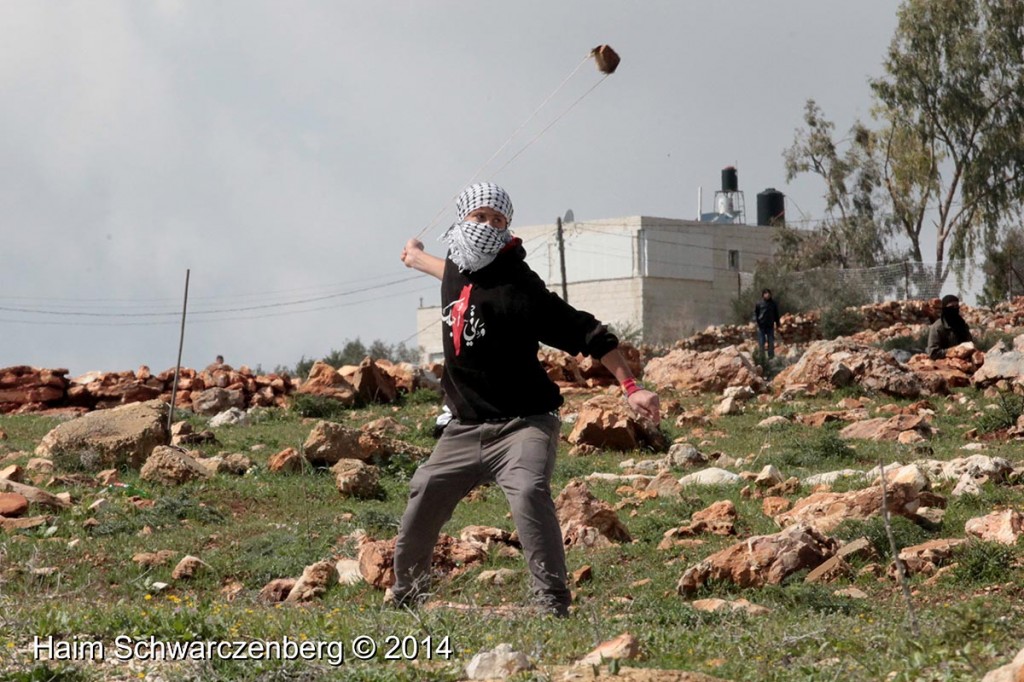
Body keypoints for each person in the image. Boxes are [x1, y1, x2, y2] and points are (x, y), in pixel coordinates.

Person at [394, 182, 660, 617]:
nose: (487, 227)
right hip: (462, 427)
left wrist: (632, 387)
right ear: (462, 219)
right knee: (423, 490)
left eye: (498, 220)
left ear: (508, 229)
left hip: (524, 423)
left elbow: (587, 331)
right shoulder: (452, 271)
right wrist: (413, 251)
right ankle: (407, 598)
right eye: (479, 217)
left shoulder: (521, 286)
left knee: (530, 492)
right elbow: (419, 259)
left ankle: (551, 603)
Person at [926, 294, 973, 359]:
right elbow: (933, 353)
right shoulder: (937, 328)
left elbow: (969, 344)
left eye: (956, 306)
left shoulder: (962, 325)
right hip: (944, 365)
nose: (955, 309)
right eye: (951, 307)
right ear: (945, 309)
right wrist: (954, 350)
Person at [754, 288, 781, 358]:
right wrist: (756, 322)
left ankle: (771, 357)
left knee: (771, 342)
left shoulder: (773, 304)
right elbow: (756, 314)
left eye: (769, 293)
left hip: (770, 326)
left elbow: (776, 314)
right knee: (761, 342)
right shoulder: (759, 303)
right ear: (763, 295)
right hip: (761, 326)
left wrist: (778, 324)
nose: (767, 295)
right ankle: (762, 358)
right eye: (766, 293)